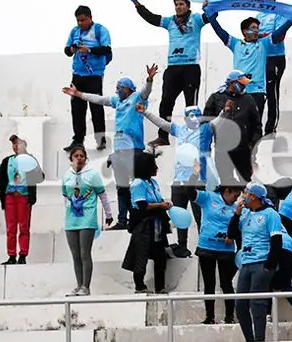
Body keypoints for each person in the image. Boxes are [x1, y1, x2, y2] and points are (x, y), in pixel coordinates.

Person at [62, 65, 156, 228]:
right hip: (118, 151)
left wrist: (149, 79)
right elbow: (98, 99)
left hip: (134, 149)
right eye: (116, 88)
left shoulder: (136, 98)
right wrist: (79, 94)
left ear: (127, 88)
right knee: (121, 186)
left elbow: (146, 92)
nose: (117, 91)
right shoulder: (116, 102)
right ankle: (122, 220)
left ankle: (136, 217)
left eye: (119, 88)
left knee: (134, 185)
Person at [131, 0, 209, 147]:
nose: (178, 7)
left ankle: (192, 137)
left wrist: (209, 5)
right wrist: (137, 5)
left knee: (191, 105)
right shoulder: (170, 21)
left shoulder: (196, 19)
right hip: (173, 67)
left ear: (188, 6)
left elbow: (210, 17)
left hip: (190, 67)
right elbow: (151, 18)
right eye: (176, 5)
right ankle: (163, 137)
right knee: (166, 102)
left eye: (181, 4)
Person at [139, 103, 208, 257]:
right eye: (191, 116)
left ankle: (204, 245)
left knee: (200, 216)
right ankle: (182, 246)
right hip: (178, 180)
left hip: (197, 180)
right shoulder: (180, 130)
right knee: (179, 214)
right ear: (184, 118)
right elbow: (162, 124)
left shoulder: (205, 130)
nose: (194, 118)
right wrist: (145, 113)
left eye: (197, 115)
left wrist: (226, 111)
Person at [207, 13, 292, 125]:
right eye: (253, 28)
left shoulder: (264, 43)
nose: (257, 30)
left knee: (255, 126)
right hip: (239, 92)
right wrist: (210, 15)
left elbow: (281, 31)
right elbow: (219, 30)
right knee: (238, 125)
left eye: (258, 28)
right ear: (244, 31)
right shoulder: (235, 43)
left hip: (257, 92)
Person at [228, 182, 285, 342]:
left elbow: (276, 242)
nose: (242, 196)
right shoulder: (245, 214)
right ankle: (250, 340)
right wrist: (236, 214)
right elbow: (231, 234)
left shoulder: (270, 214)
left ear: (253, 196)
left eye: (245, 193)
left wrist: (269, 266)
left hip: (261, 262)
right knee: (240, 306)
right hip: (246, 263)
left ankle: (259, 341)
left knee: (257, 304)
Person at [61, 144, 113, 296]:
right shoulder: (67, 176)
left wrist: (108, 214)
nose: (79, 159)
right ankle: (78, 285)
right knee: (75, 254)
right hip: (71, 220)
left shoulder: (92, 175)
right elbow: (65, 196)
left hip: (87, 218)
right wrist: (67, 213)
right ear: (71, 158)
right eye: (76, 156)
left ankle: (86, 286)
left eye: (81, 156)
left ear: (85, 158)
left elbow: (102, 195)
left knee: (85, 252)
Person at [192, 184, 244, 324]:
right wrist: (193, 176)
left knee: (226, 283)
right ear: (227, 190)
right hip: (206, 247)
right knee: (209, 284)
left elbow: (239, 229)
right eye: (234, 195)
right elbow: (189, 193)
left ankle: (230, 317)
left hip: (226, 250)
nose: (236, 198)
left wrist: (233, 237)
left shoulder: (237, 208)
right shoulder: (209, 197)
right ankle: (210, 317)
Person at [0, 135, 45, 265]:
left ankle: (23, 254)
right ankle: (11, 255)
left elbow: (40, 177)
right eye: (14, 144)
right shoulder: (7, 161)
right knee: (11, 228)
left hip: (24, 196)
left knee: (24, 227)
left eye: (18, 144)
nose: (16, 146)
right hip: (9, 196)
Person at [64, 5, 113, 152]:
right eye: (78, 20)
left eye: (83, 20)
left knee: (96, 107)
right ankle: (78, 140)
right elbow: (66, 51)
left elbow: (107, 49)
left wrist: (89, 50)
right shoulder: (74, 31)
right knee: (77, 109)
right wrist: (72, 49)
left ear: (90, 18)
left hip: (94, 75)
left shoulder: (100, 30)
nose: (80, 23)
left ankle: (100, 139)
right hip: (78, 75)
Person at [122, 151, 172, 294]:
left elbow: (158, 200)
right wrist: (161, 206)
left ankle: (160, 286)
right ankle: (139, 285)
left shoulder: (153, 182)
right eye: (153, 165)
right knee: (141, 255)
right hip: (144, 225)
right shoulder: (138, 184)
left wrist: (165, 204)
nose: (156, 168)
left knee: (160, 256)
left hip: (157, 224)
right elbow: (143, 205)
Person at [203, 70, 261, 185]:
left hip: (243, 150)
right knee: (226, 183)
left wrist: (252, 146)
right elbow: (206, 124)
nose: (244, 86)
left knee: (247, 182)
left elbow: (257, 125)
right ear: (232, 83)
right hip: (223, 149)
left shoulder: (248, 99)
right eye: (241, 83)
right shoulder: (216, 98)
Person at [257, 0, 288, 136]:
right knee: (259, 92)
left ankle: (270, 128)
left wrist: (263, 36)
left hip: (275, 58)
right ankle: (257, 126)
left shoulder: (279, 13)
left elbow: (279, 36)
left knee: (272, 93)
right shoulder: (258, 15)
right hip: (261, 58)